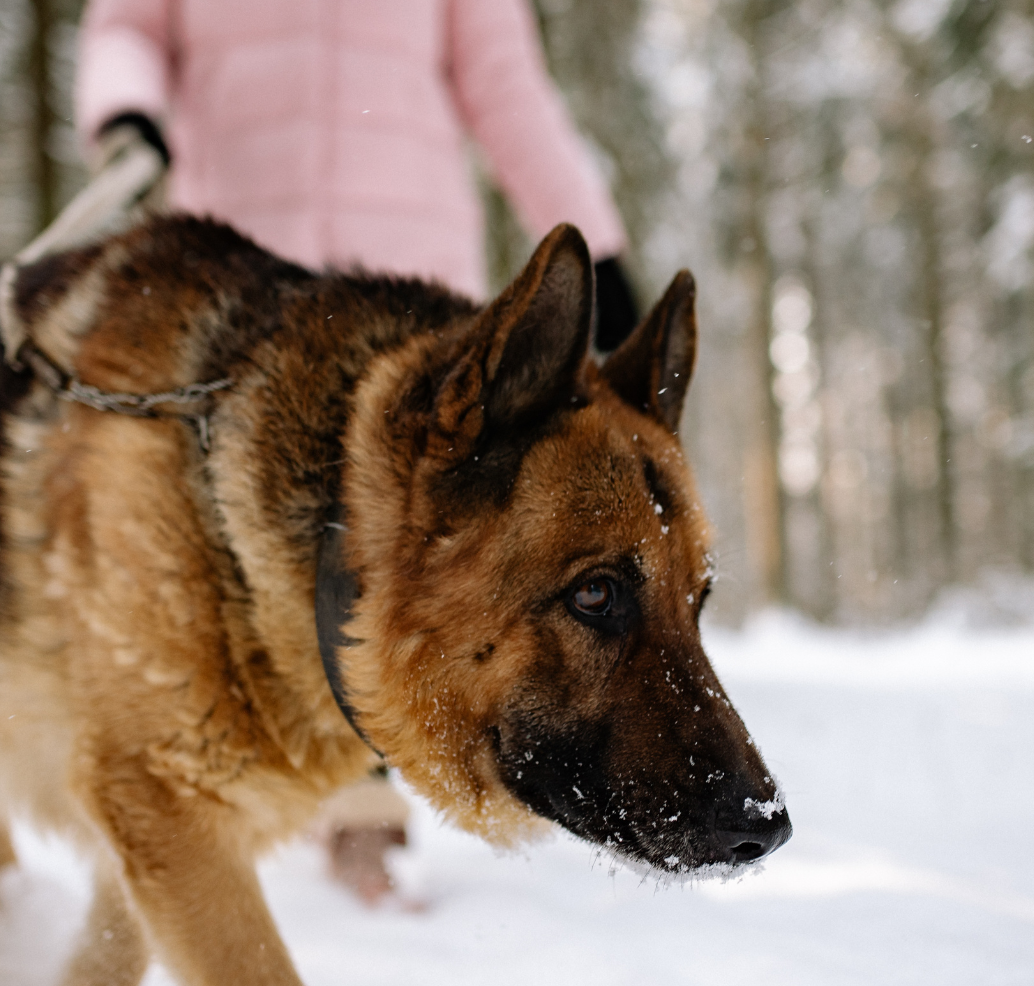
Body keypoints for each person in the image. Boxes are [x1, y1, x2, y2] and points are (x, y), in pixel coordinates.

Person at [73, 0, 641, 903]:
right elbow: (125, 29)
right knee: (226, 554)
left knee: (399, 554)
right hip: (244, 280)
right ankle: (216, 782)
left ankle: (363, 820)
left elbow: (505, 89)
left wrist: (591, 240)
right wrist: (127, 114)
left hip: (406, 287)